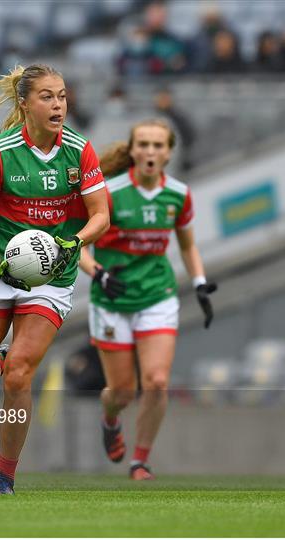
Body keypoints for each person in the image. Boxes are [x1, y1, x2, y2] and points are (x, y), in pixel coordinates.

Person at [0, 64, 109, 495]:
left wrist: (71, 245)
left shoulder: (80, 150)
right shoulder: (0, 150)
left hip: (52, 274)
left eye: (61, 95)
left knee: (20, 376)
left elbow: (101, 216)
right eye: (47, 96)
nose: (58, 104)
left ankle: (4, 476)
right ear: (25, 103)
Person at [79, 119, 217, 480]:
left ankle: (140, 461)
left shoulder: (179, 195)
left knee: (156, 382)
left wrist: (200, 282)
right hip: (112, 299)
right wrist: (98, 273)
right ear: (133, 149)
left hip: (157, 295)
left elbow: (187, 245)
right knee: (122, 393)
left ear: (169, 153)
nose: (151, 152)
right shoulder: (109, 192)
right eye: (144, 144)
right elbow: (75, 244)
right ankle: (110, 419)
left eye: (158, 146)